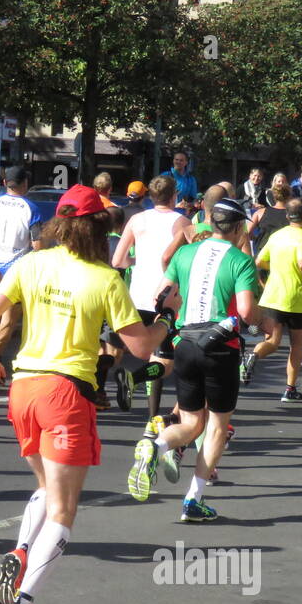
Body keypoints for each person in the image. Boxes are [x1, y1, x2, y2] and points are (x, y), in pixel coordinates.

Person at [0, 184, 170, 604]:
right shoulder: (105, 279)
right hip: (66, 392)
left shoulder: (30, 263)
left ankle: (24, 546)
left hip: (23, 386)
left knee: (46, 485)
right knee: (64, 510)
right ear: (99, 229)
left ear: (58, 225)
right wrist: (165, 321)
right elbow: (140, 345)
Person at [126, 197, 258, 521]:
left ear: (211, 222)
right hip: (220, 347)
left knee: (189, 422)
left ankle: (154, 447)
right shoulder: (240, 261)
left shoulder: (185, 253)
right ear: (239, 227)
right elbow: (245, 312)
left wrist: (173, 313)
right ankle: (193, 500)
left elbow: (161, 293)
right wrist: (260, 320)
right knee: (215, 425)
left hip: (184, 342)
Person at [112, 174, 186, 426]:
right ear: (174, 195)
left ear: (150, 196)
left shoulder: (136, 219)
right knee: (165, 361)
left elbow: (118, 261)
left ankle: (152, 417)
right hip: (165, 297)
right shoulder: (181, 221)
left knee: (157, 356)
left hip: (138, 295)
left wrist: (138, 261)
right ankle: (135, 381)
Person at [244, 197, 302, 402]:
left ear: (287, 216)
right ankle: (290, 389)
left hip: (273, 294)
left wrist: (275, 267)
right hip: (294, 297)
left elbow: (259, 261)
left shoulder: (276, 236)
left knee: (273, 341)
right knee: (297, 345)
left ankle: (253, 355)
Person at [0, 164, 43, 368]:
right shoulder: (32, 208)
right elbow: (37, 245)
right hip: (15, 270)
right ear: (25, 184)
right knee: (8, 321)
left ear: (4, 183)